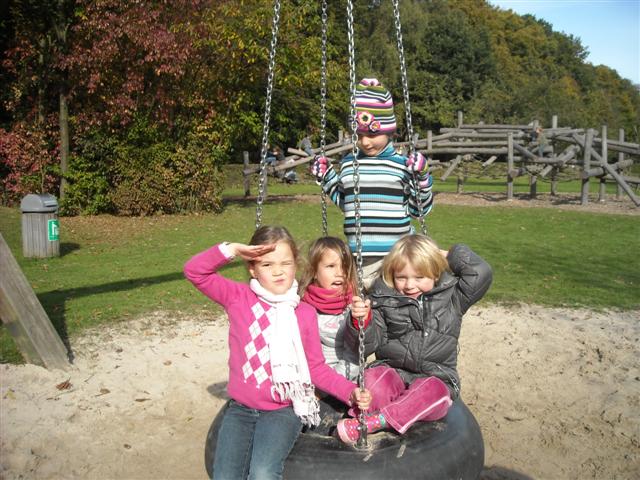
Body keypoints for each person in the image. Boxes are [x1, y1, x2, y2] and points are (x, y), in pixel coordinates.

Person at [183, 226, 372, 479]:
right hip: (241, 409)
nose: (278, 271)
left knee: (262, 473)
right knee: (225, 475)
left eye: (285, 263)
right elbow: (194, 271)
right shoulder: (238, 298)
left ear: (296, 264)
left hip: (283, 411)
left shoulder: (303, 313)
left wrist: (351, 391)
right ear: (252, 268)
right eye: (267, 264)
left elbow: (315, 367)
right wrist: (233, 250)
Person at [336, 234, 493, 444]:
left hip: (437, 375)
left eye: (419, 277)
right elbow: (369, 343)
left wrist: (450, 255)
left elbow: (481, 272)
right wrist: (361, 322)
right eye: (401, 277)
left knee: (433, 392)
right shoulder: (383, 299)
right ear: (392, 274)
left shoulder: (452, 297)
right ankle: (360, 416)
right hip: (394, 370)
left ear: (435, 272)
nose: (410, 285)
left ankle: (378, 421)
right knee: (373, 380)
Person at [311, 78, 434, 289]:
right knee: (362, 305)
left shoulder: (402, 165)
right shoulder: (348, 164)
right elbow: (347, 203)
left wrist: (422, 178)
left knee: (394, 305)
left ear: (389, 131)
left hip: (396, 258)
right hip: (358, 258)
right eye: (359, 135)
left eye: (372, 134)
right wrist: (328, 177)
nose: (365, 142)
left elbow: (418, 211)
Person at [299, 236, 371, 381]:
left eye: (344, 266)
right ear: (314, 271)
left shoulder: (355, 304)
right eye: (331, 266)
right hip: (312, 374)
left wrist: (333, 383)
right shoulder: (303, 303)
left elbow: (355, 353)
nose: (340, 273)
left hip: (347, 375)